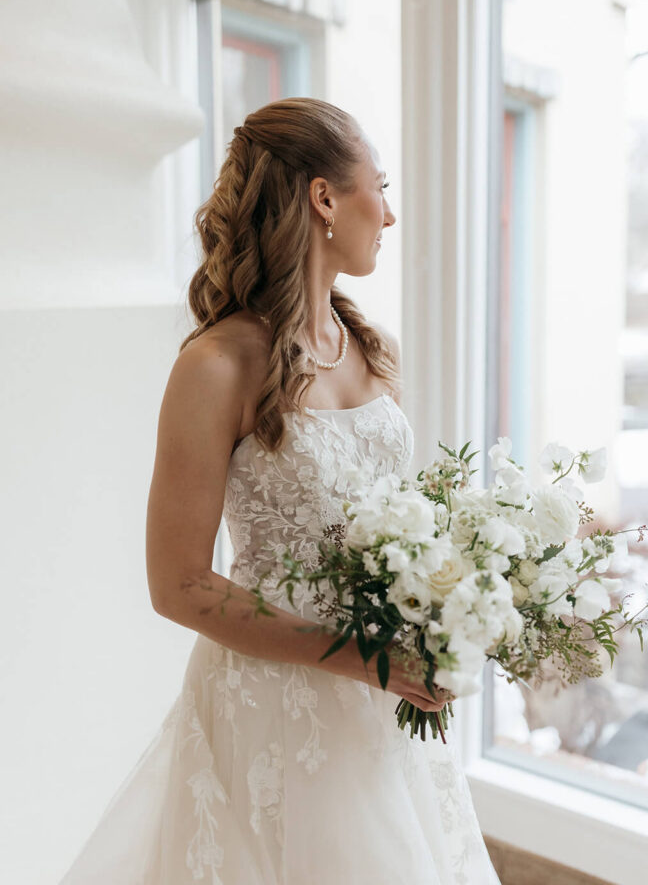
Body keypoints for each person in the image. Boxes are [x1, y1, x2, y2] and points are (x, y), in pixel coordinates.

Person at [58, 97, 502, 884]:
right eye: (381, 187)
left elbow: (395, 527)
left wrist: (444, 611)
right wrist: (363, 659)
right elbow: (180, 585)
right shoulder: (216, 365)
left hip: (379, 707)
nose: (389, 215)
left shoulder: (371, 347)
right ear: (324, 199)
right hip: (269, 704)